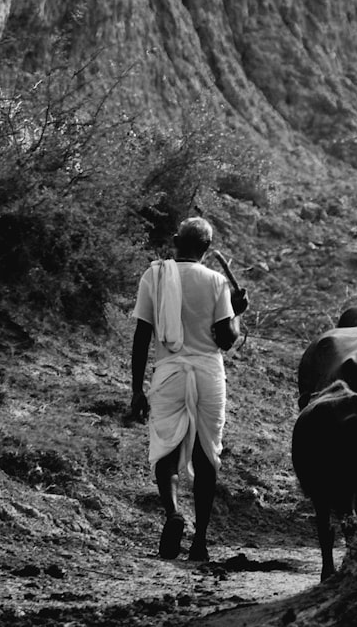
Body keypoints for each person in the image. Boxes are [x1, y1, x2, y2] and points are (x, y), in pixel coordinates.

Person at [129, 217, 248, 561]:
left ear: (176, 240)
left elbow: (141, 335)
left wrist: (137, 389)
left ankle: (173, 514)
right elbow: (226, 340)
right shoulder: (216, 281)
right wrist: (236, 314)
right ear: (207, 249)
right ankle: (200, 543)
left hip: (168, 372)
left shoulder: (155, 275)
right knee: (207, 454)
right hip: (209, 374)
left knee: (165, 450)